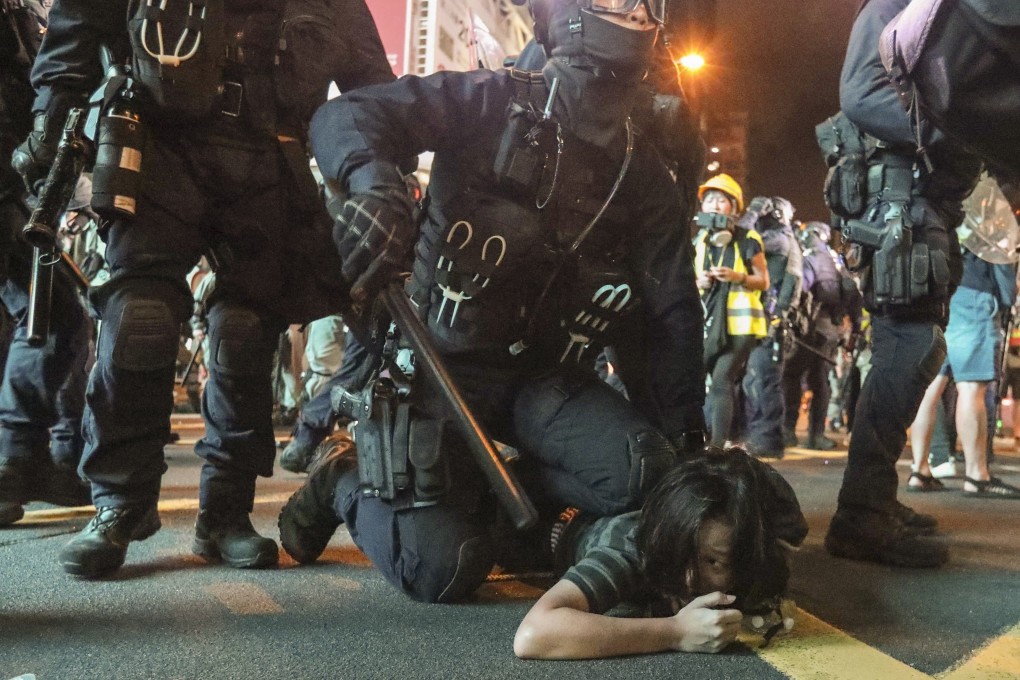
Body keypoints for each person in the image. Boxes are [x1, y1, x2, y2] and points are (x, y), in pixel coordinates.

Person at [283, 0, 708, 603]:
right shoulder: (489, 99)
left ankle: (504, 512)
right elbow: (345, 115)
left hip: (543, 379)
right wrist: (373, 185)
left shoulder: (643, 172)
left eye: (646, 3)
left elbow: (671, 318)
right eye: (619, 0)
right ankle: (342, 476)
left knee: (649, 475)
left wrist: (689, 450)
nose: (637, 13)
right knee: (443, 569)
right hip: (439, 366)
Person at [13, 0, 397, 577]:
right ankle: (120, 502)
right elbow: (78, 24)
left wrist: (375, 176)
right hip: (156, 146)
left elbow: (374, 97)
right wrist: (51, 119)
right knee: (137, 319)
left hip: (270, 158)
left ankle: (226, 513)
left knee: (244, 335)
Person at [818, 0, 984, 567]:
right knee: (908, 347)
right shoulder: (895, 5)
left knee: (916, 347)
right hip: (897, 204)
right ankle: (861, 517)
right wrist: (956, 136)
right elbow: (861, 95)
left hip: (918, 204)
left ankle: (872, 500)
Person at [513, 447, 806, 659]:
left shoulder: (750, 556)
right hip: (525, 528)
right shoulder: (630, 546)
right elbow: (534, 633)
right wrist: (675, 632)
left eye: (713, 562)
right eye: (684, 551)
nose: (690, 577)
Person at [0, 0, 92, 527]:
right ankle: (17, 459)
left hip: (16, 189)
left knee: (55, 315)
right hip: (8, 189)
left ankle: (25, 459)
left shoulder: (23, 13)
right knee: (51, 314)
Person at [907, 248, 1019, 497]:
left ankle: (920, 469)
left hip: (932, 296)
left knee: (930, 386)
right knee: (971, 388)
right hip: (972, 296)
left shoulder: (936, 208)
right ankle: (977, 475)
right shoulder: (985, 210)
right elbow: (1000, 258)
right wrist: (1006, 298)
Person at [693, 175, 770, 446]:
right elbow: (687, 281)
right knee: (692, 382)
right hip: (707, 324)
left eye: (721, 200)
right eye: (709, 199)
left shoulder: (748, 238)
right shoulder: (699, 240)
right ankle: (696, 440)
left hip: (739, 328)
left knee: (722, 381)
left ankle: (716, 447)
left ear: (734, 207)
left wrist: (737, 277)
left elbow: (764, 280)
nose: (714, 205)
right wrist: (699, 282)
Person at [781, 221, 861, 451]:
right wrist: (852, 326)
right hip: (828, 329)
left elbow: (799, 286)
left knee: (791, 376)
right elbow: (851, 291)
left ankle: (788, 431)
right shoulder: (835, 259)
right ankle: (816, 435)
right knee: (820, 381)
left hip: (805, 328)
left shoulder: (807, 255)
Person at [740, 196, 802, 458]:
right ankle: (761, 437)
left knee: (762, 381)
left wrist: (752, 212)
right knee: (760, 381)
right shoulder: (787, 239)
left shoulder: (777, 239)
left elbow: (740, 242)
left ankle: (766, 440)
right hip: (768, 322)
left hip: (769, 323)